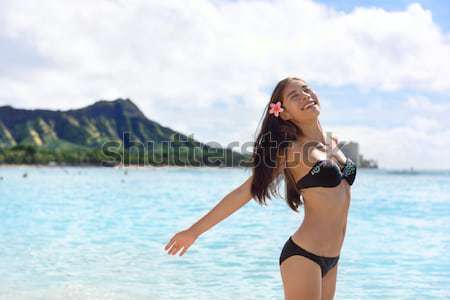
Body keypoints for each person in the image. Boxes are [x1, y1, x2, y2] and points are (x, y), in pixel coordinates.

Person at [164, 76, 357, 300]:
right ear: (284, 113)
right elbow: (244, 192)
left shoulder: (331, 141)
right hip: (304, 256)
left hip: (333, 258)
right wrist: (193, 232)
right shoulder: (290, 151)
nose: (305, 95)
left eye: (306, 89)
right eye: (295, 96)